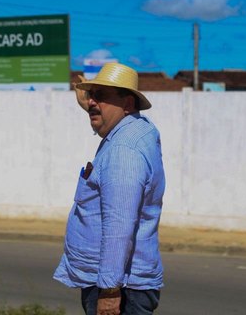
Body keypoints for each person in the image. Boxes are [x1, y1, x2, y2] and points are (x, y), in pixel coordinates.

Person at [54, 63, 166, 315]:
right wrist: (94, 105)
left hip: (120, 287)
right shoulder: (136, 129)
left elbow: (119, 224)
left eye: (101, 96)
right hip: (123, 282)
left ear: (127, 104)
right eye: (91, 95)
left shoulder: (122, 151)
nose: (92, 102)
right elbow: (109, 112)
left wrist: (109, 291)